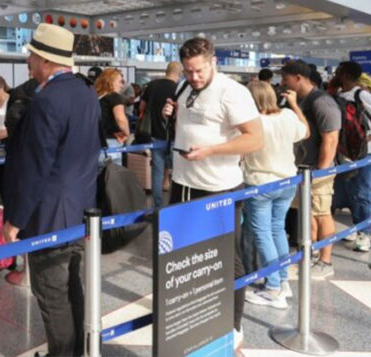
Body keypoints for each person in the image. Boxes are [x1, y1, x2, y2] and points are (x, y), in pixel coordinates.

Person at [2, 24, 100, 357]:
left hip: (48, 217)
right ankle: (78, 351)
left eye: (32, 55)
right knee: (73, 288)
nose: (28, 61)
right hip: (79, 211)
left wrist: (16, 220)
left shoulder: (47, 100)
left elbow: (35, 168)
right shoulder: (86, 93)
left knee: (52, 294)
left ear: (45, 60)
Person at [163, 37, 262, 349]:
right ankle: (197, 320)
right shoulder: (184, 87)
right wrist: (171, 114)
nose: (194, 77)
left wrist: (211, 150)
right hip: (184, 184)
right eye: (188, 71)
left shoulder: (233, 92)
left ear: (214, 62)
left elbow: (255, 139)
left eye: (200, 71)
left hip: (219, 188)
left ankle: (233, 328)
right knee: (185, 258)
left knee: (227, 259)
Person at [242, 81, 308, 309]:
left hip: (261, 183)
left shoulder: (252, 122)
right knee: (277, 229)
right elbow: (306, 131)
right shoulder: (288, 115)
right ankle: (282, 281)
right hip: (287, 181)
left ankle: (272, 289)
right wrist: (295, 105)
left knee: (262, 234)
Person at [279, 60, 341, 279]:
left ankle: (326, 260)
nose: (282, 83)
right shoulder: (297, 100)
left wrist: (321, 171)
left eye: (285, 79)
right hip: (302, 169)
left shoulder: (322, 102)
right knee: (308, 213)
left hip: (317, 170)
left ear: (298, 78)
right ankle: (310, 255)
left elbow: (331, 139)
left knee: (322, 213)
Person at [332, 62, 371, 254]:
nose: (335, 74)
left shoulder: (361, 95)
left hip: (364, 152)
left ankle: (364, 233)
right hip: (343, 152)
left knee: (362, 192)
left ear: (346, 75)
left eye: (338, 72)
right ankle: (357, 227)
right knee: (346, 192)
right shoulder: (337, 94)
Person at [138, 62, 182, 208]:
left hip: (155, 135)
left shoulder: (152, 85)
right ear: (179, 74)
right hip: (175, 137)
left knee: (157, 173)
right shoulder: (178, 89)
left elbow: (142, 107)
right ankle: (176, 206)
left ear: (166, 71)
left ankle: (157, 206)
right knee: (178, 172)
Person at [94, 68, 129, 166]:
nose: (122, 85)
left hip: (95, 145)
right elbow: (120, 119)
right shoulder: (115, 97)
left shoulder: (96, 98)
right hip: (111, 145)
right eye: (120, 81)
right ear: (111, 81)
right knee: (113, 175)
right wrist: (126, 133)